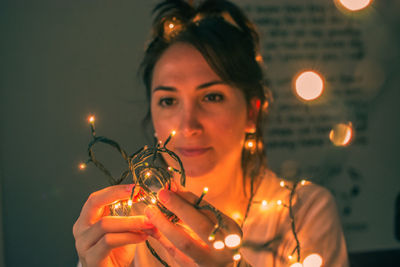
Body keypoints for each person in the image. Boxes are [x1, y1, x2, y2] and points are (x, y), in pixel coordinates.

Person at [73, 0, 349, 266]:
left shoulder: (302, 213)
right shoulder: (125, 224)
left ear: (252, 112)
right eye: (168, 101)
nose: (188, 125)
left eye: (213, 97)